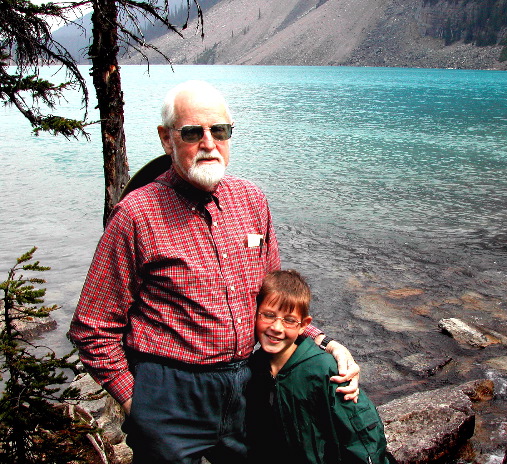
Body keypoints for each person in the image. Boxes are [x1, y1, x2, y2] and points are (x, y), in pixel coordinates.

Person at [68, 80, 360, 464]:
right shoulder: (136, 215)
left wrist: (327, 345)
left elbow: (273, 302)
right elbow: (91, 326)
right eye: (192, 132)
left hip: (249, 385)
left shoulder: (251, 200)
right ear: (166, 139)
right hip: (170, 394)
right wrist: (135, 401)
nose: (209, 142)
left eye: (219, 130)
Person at [246, 270, 391, 464]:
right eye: (268, 316)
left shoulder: (324, 370)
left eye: (289, 320)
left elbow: (362, 436)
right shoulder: (254, 367)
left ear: (303, 325)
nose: (277, 328)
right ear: (254, 315)